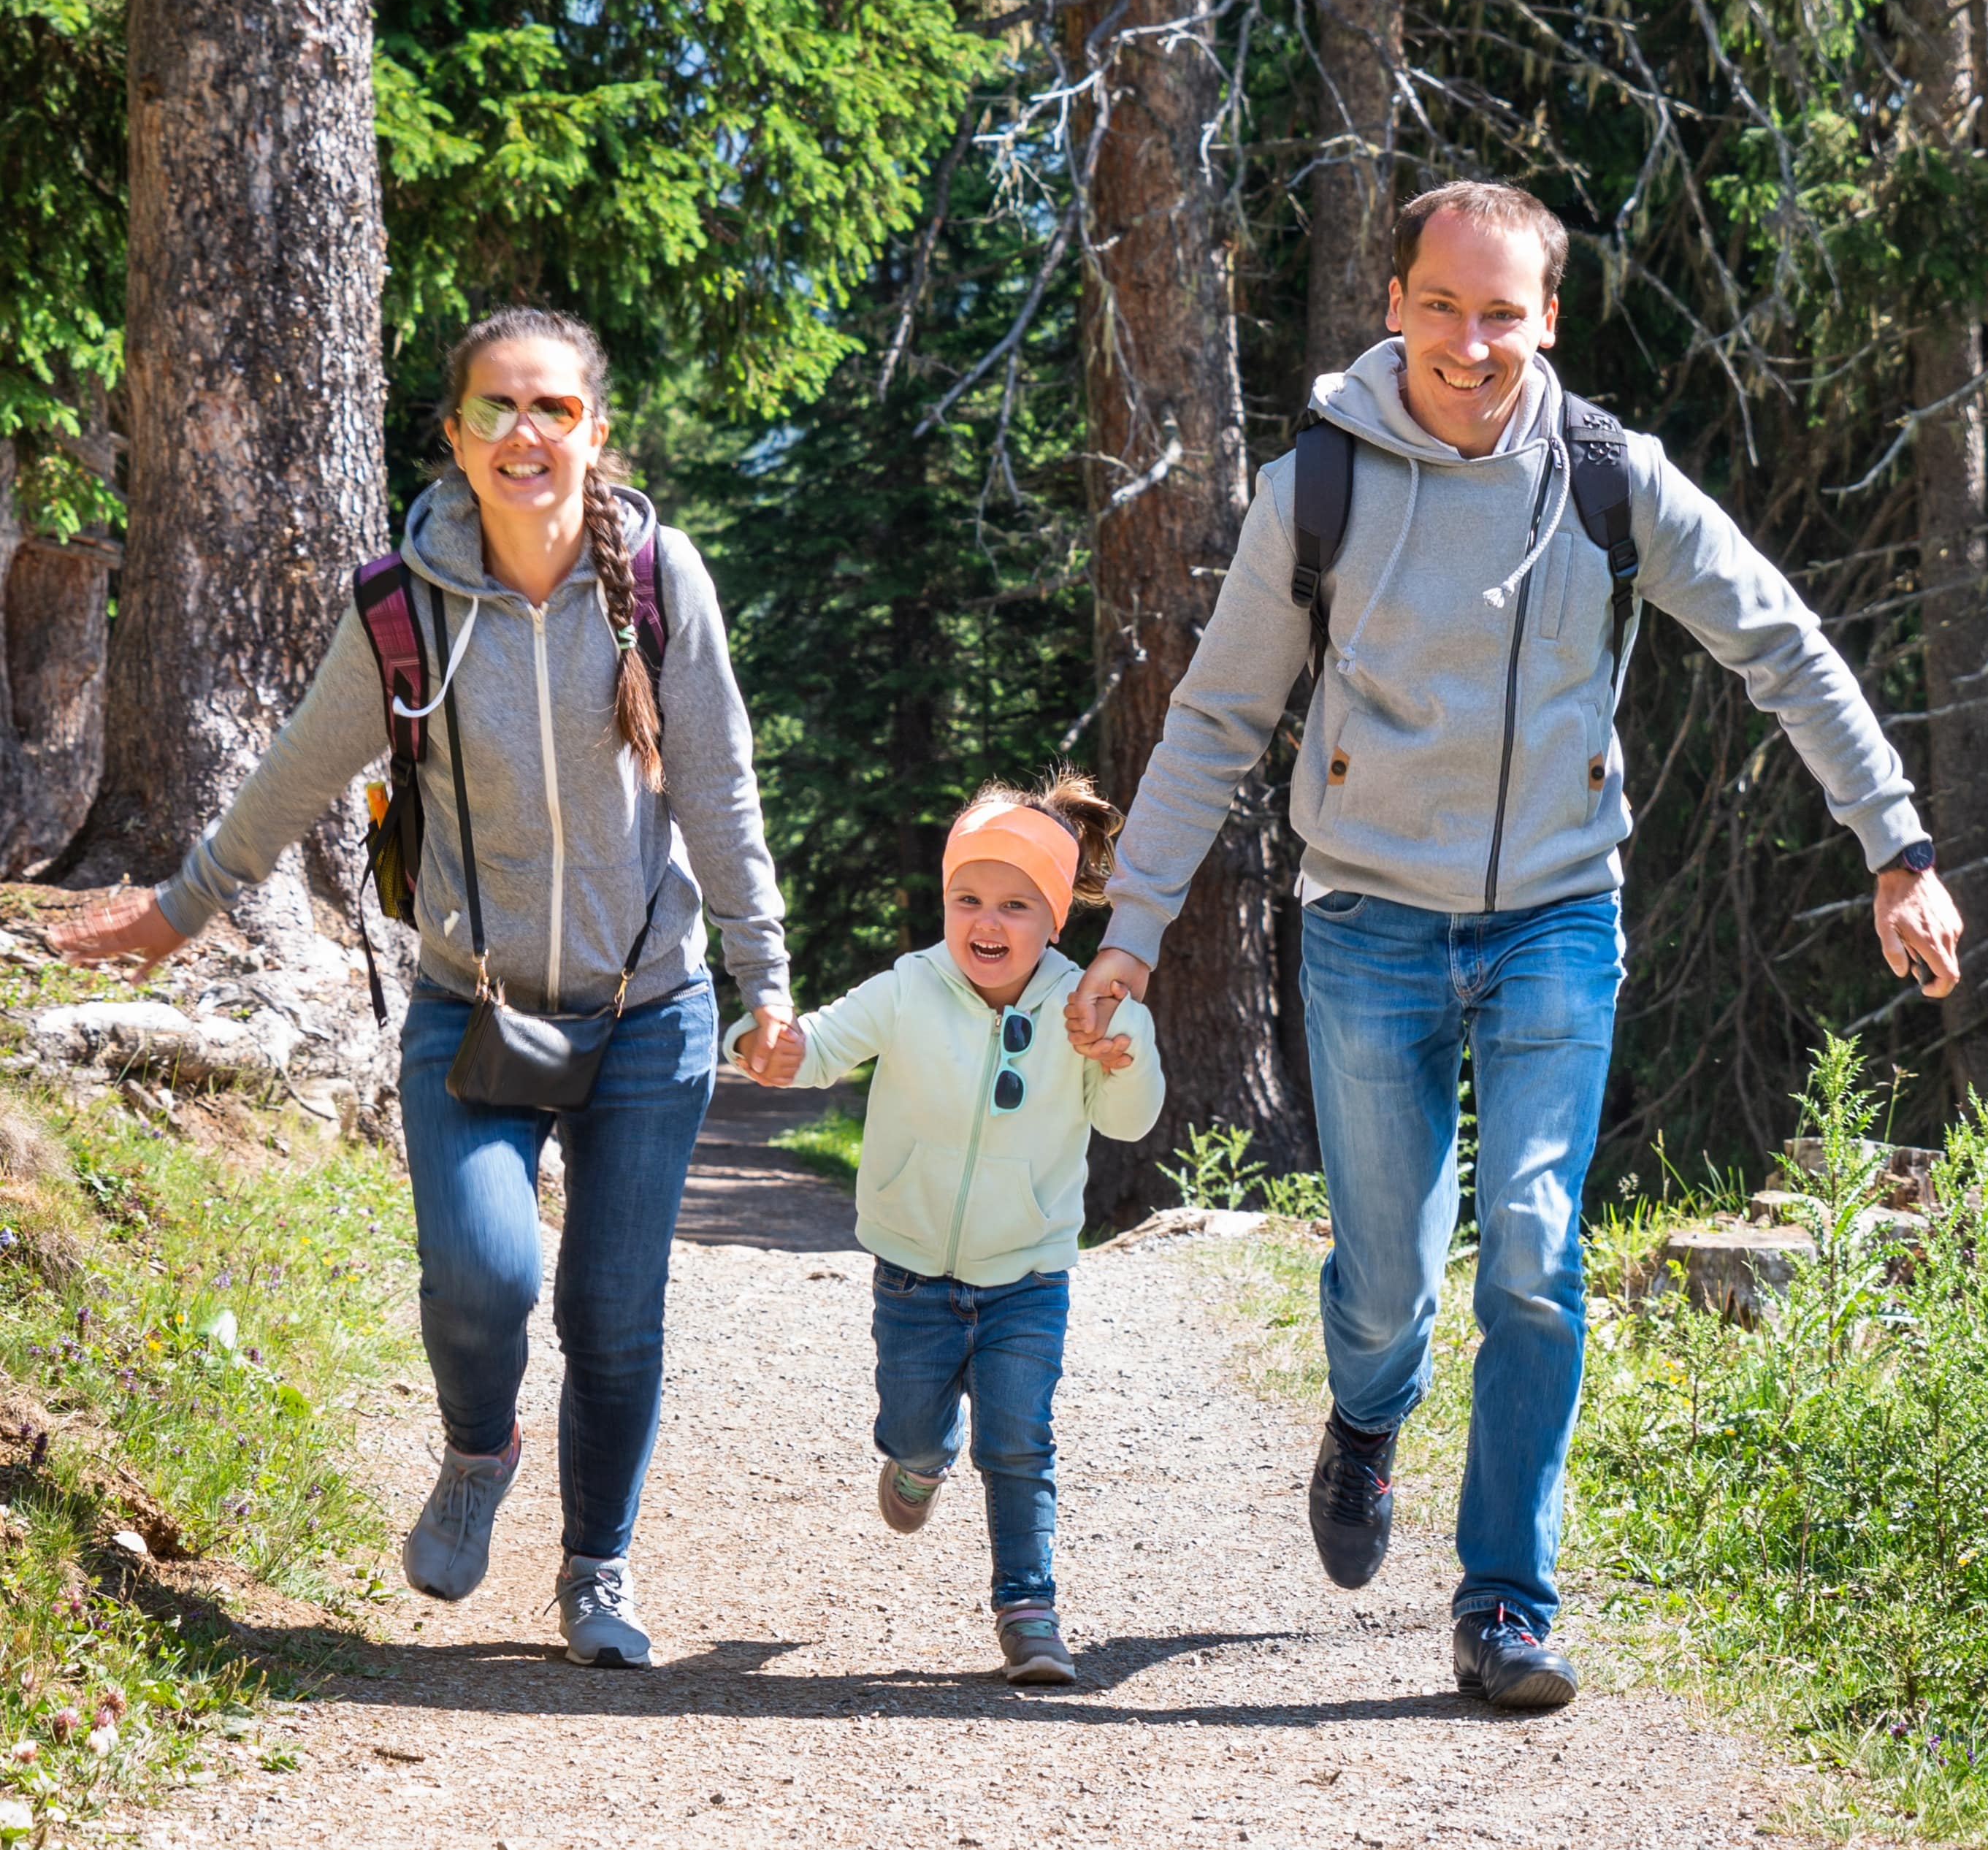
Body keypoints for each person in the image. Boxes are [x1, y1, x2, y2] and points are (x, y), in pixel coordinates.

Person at [1064, 182, 1965, 1710]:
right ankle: (1364, 1415)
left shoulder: (1611, 480)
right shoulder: (1322, 485)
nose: (1468, 343)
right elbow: (1217, 717)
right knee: (1382, 1284)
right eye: (1440, 305)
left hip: (1557, 912)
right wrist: (1131, 927)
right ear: (1394, 302)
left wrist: (1894, 846)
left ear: (1544, 318)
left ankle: (1503, 1600)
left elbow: (1777, 642)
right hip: (1366, 925)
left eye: (1502, 312)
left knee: (1536, 1257)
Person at [50, 306, 796, 1670]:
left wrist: (767, 976)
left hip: (651, 1010)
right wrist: (179, 910)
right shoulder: (402, 603)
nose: (526, 433)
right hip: (471, 998)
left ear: (594, 432)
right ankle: (475, 1449)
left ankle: (595, 1570)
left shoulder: (660, 578)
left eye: (554, 409)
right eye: (497, 409)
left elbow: (719, 782)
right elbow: (295, 771)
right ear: (452, 436)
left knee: (613, 1312)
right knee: (483, 1273)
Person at [727, 769, 1164, 1684]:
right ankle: (920, 1462)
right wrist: (764, 1042)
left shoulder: (1087, 1004)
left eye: (1014, 903)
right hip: (914, 1274)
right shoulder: (911, 986)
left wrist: (1121, 1056)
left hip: (1028, 1276)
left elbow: (1127, 1119)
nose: (987, 922)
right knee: (915, 1431)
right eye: (967, 898)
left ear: (1054, 916)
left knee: (1020, 1439)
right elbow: (822, 1046)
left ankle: (1029, 1609)